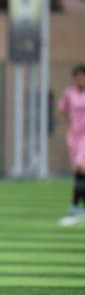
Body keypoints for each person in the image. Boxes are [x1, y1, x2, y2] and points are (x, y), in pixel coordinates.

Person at [57, 64, 85, 226]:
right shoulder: (70, 93)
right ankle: (77, 206)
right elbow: (62, 108)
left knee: (82, 165)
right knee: (78, 170)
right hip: (74, 135)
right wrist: (68, 124)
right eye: (77, 77)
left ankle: (74, 204)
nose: (80, 80)